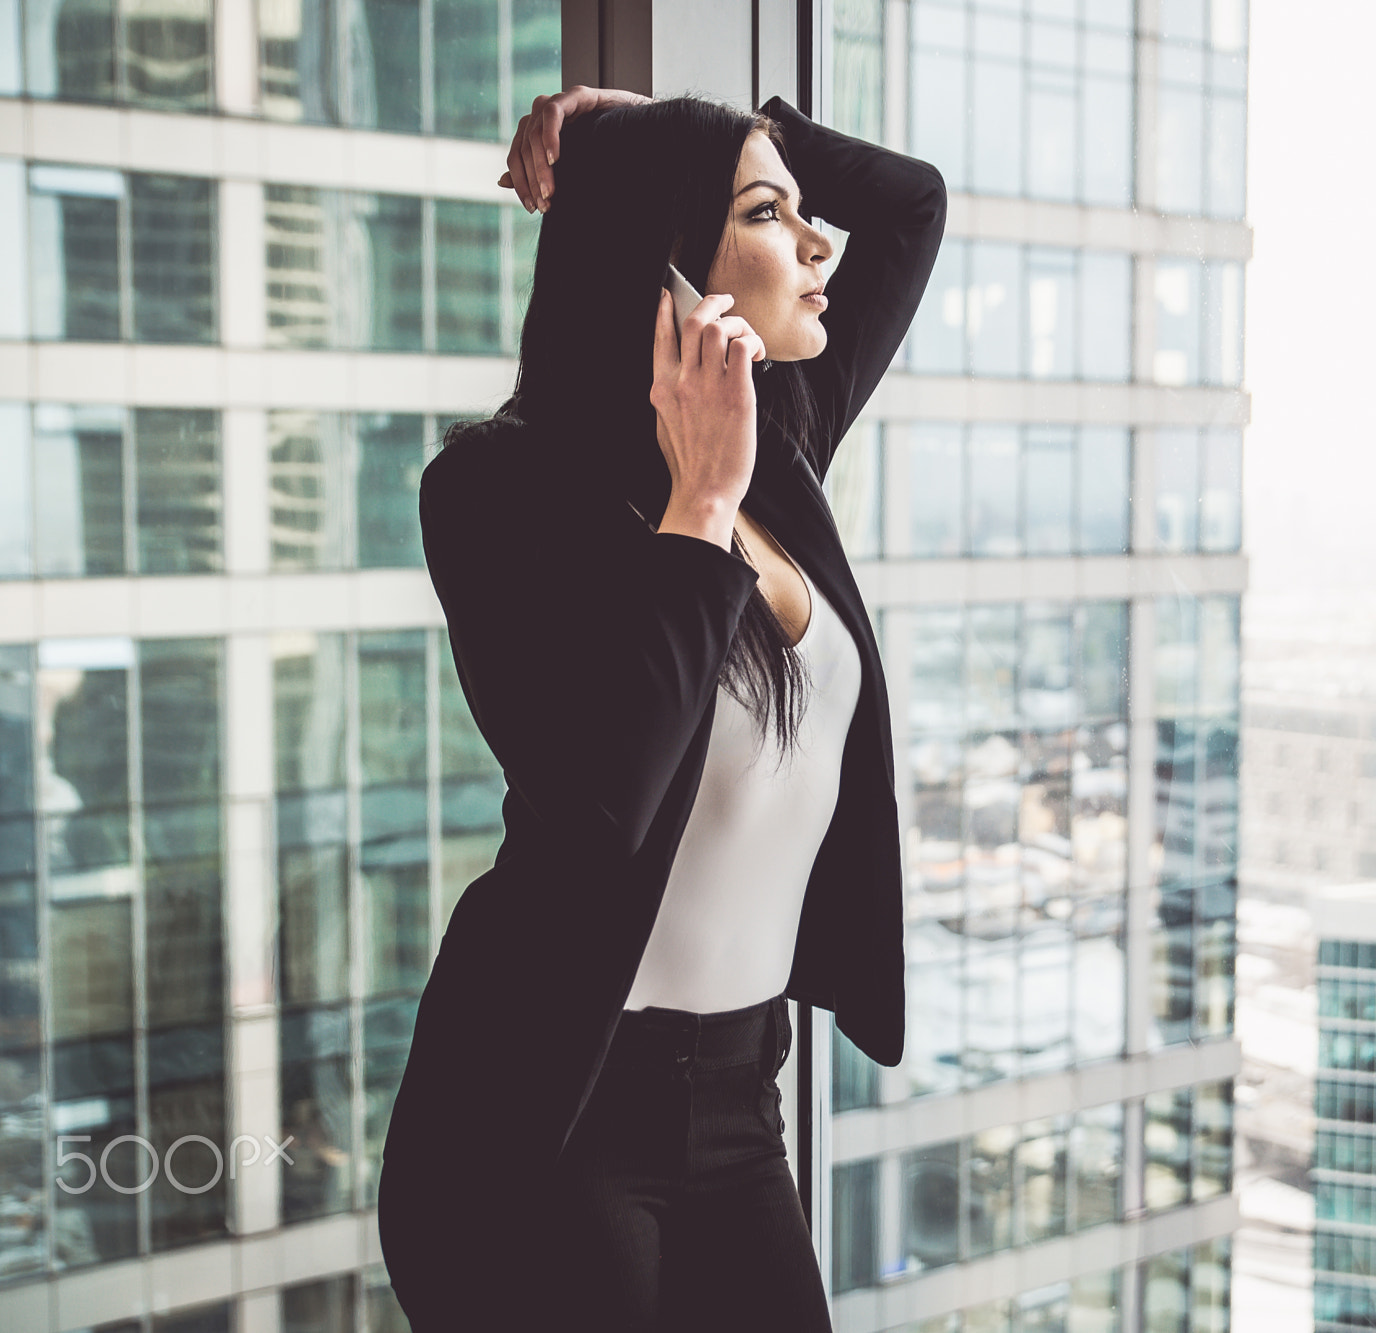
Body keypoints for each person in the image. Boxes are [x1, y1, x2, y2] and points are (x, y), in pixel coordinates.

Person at [375, 85, 947, 1331]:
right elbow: (597, 801)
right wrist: (698, 508)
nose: (817, 244)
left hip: (745, 1096)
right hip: (563, 1109)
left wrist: (665, 124)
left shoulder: (778, 438)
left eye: (801, 213)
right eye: (765, 214)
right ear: (668, 263)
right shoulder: (494, 491)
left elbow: (909, 204)